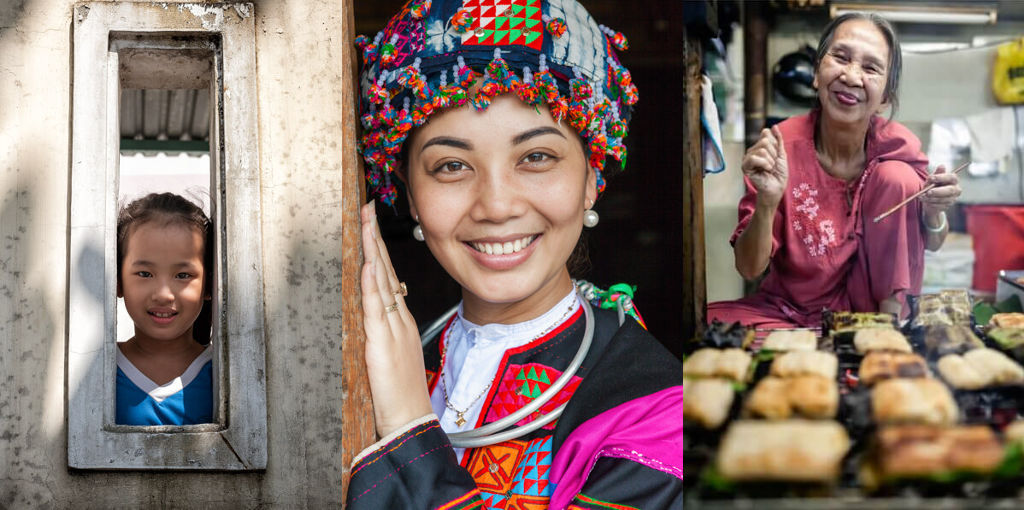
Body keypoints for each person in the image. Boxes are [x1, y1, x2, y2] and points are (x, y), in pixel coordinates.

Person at [346, 1, 683, 508]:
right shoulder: (373, 363)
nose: (497, 206)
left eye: (536, 157)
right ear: (410, 195)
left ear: (592, 179)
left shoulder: (657, 413)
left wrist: (408, 430)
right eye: (451, 166)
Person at [707, 13, 962, 329]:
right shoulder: (780, 146)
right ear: (816, 74)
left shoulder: (899, 147)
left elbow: (933, 242)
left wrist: (935, 213)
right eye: (840, 58)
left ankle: (889, 333)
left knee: (897, 177)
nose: (852, 77)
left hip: (873, 317)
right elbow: (748, 268)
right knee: (705, 323)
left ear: (884, 98)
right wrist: (768, 202)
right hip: (791, 313)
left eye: (870, 68)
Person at [115, 192, 214, 426]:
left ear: (210, 285)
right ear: (118, 280)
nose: (163, 294)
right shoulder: (96, 369)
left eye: (183, 275)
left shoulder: (226, 374)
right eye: (145, 274)